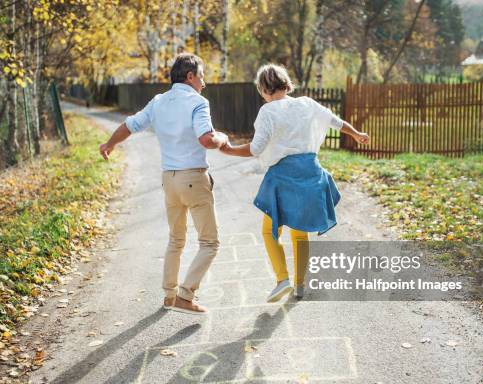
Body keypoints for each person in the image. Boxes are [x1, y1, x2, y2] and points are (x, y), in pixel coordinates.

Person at [220, 64, 369, 302]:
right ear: (286, 83)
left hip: (283, 177)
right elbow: (336, 122)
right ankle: (300, 285)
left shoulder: (268, 112)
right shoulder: (307, 104)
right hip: (310, 174)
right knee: (299, 233)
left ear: (263, 89)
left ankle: (282, 280)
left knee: (270, 231)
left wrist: (228, 149)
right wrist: (356, 133)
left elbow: (256, 149)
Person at [99, 53, 228, 315]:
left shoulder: (158, 102)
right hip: (193, 177)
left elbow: (129, 125)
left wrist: (110, 143)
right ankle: (186, 295)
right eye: (202, 77)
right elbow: (205, 139)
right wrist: (221, 138)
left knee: (176, 238)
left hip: (169, 180)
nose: (204, 83)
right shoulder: (198, 102)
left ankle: (169, 295)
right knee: (209, 243)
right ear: (190, 76)